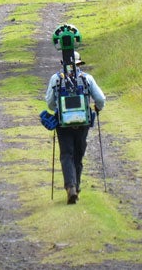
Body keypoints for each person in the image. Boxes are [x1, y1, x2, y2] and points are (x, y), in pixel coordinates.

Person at [45, 51, 106, 204]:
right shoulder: (87, 78)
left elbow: (50, 103)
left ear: (63, 64)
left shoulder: (55, 79)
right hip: (82, 122)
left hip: (63, 123)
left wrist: (58, 108)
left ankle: (70, 187)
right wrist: (97, 109)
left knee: (66, 154)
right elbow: (100, 99)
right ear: (79, 64)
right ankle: (76, 186)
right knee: (78, 155)